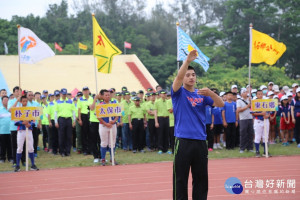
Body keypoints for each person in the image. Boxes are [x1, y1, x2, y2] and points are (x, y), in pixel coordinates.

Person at [171, 50, 224, 200]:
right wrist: (187, 62)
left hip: (200, 141)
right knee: (180, 178)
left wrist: (211, 94)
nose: (191, 77)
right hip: (183, 141)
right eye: (188, 75)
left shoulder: (202, 95)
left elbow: (220, 104)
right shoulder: (178, 93)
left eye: (193, 75)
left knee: (201, 179)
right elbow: (178, 78)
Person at [13, 95, 39, 172]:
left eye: (26, 101)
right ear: (21, 102)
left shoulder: (30, 110)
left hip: (29, 131)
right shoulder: (18, 110)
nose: (25, 102)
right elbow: (15, 122)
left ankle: (33, 165)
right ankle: (17, 166)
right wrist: (23, 123)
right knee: (20, 148)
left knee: (31, 148)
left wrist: (30, 124)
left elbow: (34, 121)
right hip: (21, 131)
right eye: (23, 101)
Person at [98, 89, 119, 166]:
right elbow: (98, 116)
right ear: (103, 96)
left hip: (112, 125)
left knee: (112, 143)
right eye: (106, 95)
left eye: (109, 95)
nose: (108, 96)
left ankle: (112, 158)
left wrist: (114, 121)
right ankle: (103, 159)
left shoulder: (114, 104)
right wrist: (106, 123)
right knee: (104, 142)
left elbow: (118, 114)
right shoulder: (100, 105)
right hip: (103, 126)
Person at [55, 88, 76, 157]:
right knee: (61, 136)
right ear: (61, 94)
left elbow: (73, 112)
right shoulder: (58, 102)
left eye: (65, 94)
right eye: (63, 94)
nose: (64, 95)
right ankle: (62, 151)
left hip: (69, 119)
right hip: (61, 119)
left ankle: (68, 151)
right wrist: (56, 122)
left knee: (69, 136)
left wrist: (74, 121)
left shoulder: (70, 101)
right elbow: (55, 112)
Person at [252, 90, 272, 157]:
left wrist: (267, 115)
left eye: (261, 94)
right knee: (257, 136)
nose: (260, 95)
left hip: (265, 120)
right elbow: (253, 113)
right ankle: (257, 151)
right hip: (258, 120)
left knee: (265, 136)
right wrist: (261, 113)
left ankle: (265, 151)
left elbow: (269, 111)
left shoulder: (265, 102)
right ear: (256, 95)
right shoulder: (254, 102)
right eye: (259, 94)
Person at [236, 88, 254, 153]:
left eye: (246, 92)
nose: (245, 93)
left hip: (250, 118)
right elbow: (238, 110)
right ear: (241, 94)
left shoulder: (250, 100)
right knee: (243, 134)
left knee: (250, 133)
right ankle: (242, 148)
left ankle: (250, 148)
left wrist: (251, 102)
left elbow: (253, 108)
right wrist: (247, 106)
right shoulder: (239, 101)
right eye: (244, 92)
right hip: (243, 119)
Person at [154, 90, 170, 154]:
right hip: (160, 118)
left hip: (167, 118)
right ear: (160, 94)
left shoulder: (168, 101)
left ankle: (166, 149)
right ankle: (160, 148)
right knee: (160, 134)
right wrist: (156, 122)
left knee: (166, 134)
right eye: (163, 94)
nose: (164, 95)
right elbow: (155, 112)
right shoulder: (157, 102)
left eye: (165, 93)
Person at [78, 87, 92, 155]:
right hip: (84, 116)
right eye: (84, 91)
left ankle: (90, 149)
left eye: (87, 91)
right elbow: (79, 110)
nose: (86, 92)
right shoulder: (80, 99)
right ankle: (85, 150)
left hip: (91, 116)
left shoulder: (91, 98)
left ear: (89, 91)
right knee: (84, 133)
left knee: (90, 133)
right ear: (82, 92)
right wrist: (80, 119)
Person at [88, 94, 101, 163]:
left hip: (101, 121)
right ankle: (95, 156)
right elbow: (92, 108)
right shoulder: (91, 98)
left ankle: (101, 156)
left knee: (101, 140)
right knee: (93, 140)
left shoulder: (102, 100)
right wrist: (95, 99)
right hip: (93, 121)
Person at [0, 95, 13, 163]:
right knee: (2, 146)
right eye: (4, 100)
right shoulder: (0, 109)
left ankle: (10, 157)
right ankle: (2, 158)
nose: (6, 101)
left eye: (7, 100)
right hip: (2, 131)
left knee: (10, 145)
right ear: (2, 101)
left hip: (10, 130)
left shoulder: (11, 110)